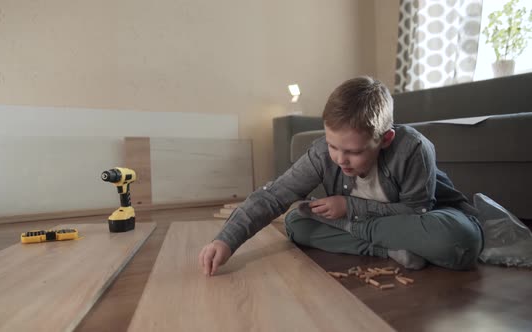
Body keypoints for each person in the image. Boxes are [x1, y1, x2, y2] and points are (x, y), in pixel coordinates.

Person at [198, 76, 484, 276]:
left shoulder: (414, 149)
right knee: (297, 223)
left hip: (425, 217)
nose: (339, 158)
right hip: (382, 228)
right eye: (333, 145)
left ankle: (388, 242)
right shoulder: (323, 153)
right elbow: (274, 195)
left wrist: (350, 208)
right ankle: (391, 250)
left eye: (353, 152)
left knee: (461, 240)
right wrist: (225, 240)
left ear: (385, 139)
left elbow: (416, 210)